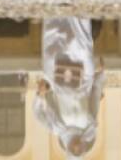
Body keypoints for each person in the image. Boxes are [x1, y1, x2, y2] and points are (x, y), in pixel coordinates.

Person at [33, 17, 104, 160]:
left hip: (59, 78)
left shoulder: (57, 128)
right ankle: (78, 11)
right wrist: (100, 75)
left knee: (54, 47)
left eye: (74, 151)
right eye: (79, 151)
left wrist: (40, 96)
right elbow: (95, 97)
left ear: (69, 149)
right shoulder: (88, 127)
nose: (77, 148)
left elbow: (38, 113)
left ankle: (57, 13)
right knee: (83, 49)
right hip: (83, 79)